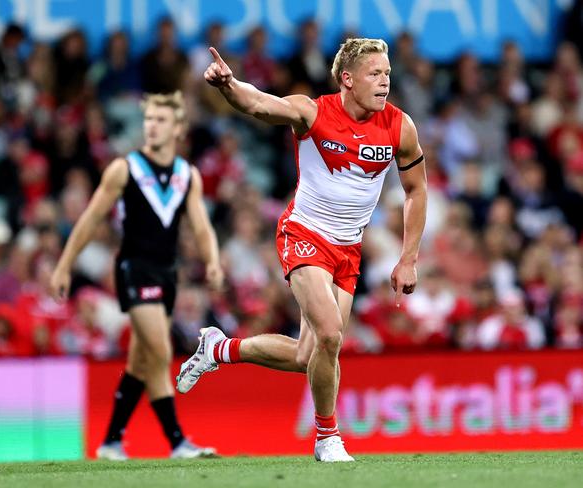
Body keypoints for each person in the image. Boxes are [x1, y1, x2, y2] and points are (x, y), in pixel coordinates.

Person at [177, 38, 427, 462]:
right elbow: (258, 104)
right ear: (347, 79)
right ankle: (328, 438)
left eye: (387, 73)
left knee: (308, 354)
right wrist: (228, 85)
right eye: (375, 73)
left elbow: (416, 190)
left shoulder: (400, 127)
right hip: (304, 234)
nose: (385, 81)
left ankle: (218, 349)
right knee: (330, 334)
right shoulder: (312, 112)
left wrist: (408, 257)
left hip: (348, 250)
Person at [49, 91, 223, 460]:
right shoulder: (124, 169)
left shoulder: (186, 175)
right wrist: (64, 265)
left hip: (166, 272)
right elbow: (91, 218)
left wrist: (212, 260)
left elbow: (201, 224)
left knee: (141, 360)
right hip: (133, 268)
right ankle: (177, 442)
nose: (152, 126)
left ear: (178, 128)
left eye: (160, 120)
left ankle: (111, 441)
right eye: (148, 119)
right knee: (160, 349)